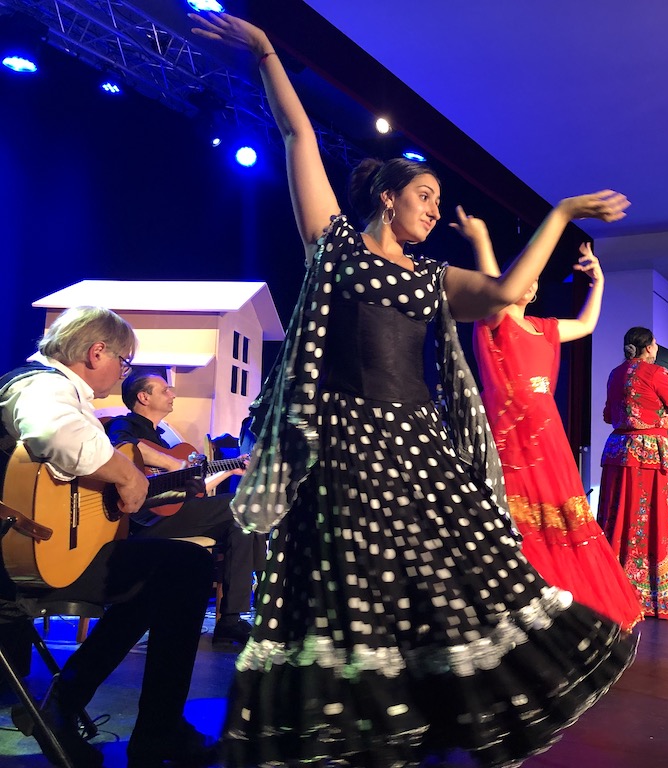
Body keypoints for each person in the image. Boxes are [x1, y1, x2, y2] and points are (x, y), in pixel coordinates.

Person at [190, 12, 635, 767]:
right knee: (352, 592)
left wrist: (559, 214)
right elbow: (299, 136)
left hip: (417, 446)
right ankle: (358, 733)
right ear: (388, 197)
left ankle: (429, 719)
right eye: (423, 195)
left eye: (435, 199)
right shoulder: (334, 244)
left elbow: (506, 295)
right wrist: (266, 52)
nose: (433, 209)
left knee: (468, 572)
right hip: (344, 448)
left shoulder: (432, 278)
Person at [0, 306, 216, 768]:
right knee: (187, 567)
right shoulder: (38, 385)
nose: (124, 372)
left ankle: (68, 704)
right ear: (97, 352)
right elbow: (54, 434)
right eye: (124, 361)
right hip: (19, 557)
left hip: (44, 549)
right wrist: (125, 473)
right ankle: (149, 728)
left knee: (163, 578)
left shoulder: (64, 393)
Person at [468, 230, 642, 630]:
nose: (528, 284)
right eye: (522, 276)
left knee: (561, 520)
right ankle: (519, 609)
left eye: (534, 280)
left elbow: (585, 324)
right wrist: (482, 239)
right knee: (517, 519)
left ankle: (571, 608)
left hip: (549, 438)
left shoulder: (543, 327)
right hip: (511, 438)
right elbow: (496, 292)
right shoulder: (496, 320)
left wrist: (598, 281)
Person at [105, 372, 257, 645]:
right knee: (243, 504)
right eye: (165, 390)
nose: (172, 394)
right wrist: (172, 463)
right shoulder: (123, 425)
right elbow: (123, 448)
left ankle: (230, 620)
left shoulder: (163, 441)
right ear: (144, 397)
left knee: (241, 523)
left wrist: (230, 469)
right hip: (143, 521)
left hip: (173, 515)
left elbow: (195, 490)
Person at [596, 326, 668, 620]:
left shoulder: (615, 374)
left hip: (619, 452)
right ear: (649, 347)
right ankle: (655, 595)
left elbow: (608, 414)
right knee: (657, 519)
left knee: (620, 516)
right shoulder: (656, 373)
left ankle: (616, 588)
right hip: (650, 455)